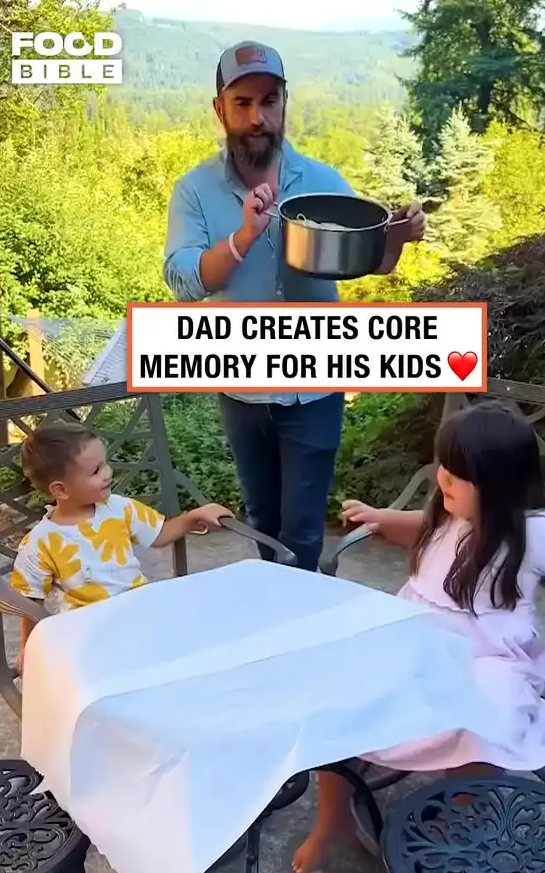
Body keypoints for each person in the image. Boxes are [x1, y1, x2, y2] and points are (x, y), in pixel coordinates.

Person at [292, 401, 545, 873]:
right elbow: (427, 533)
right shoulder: (448, 510)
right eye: (443, 466)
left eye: (457, 476)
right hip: (415, 634)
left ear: (500, 487)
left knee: (481, 721)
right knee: (336, 684)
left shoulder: (537, 529)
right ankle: (333, 817)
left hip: (487, 653)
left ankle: (457, 822)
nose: (442, 479)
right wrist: (384, 518)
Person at [163, 41, 426, 572]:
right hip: (240, 380)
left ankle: (300, 631)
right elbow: (184, 281)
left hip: (317, 384)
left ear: (285, 104)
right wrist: (242, 237)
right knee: (263, 520)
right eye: (243, 103)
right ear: (220, 108)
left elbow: (371, 260)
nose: (257, 117)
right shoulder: (194, 191)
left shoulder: (323, 182)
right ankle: (273, 613)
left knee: (303, 528)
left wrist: (398, 235)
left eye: (269, 101)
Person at [10, 423, 232, 673]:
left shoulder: (118, 508)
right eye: (95, 471)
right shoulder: (40, 542)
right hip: (87, 629)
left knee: (195, 622)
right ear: (60, 489)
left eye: (105, 463)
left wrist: (194, 517)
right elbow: (30, 602)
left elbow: (159, 534)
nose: (108, 473)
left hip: (138, 609)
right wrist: (28, 646)